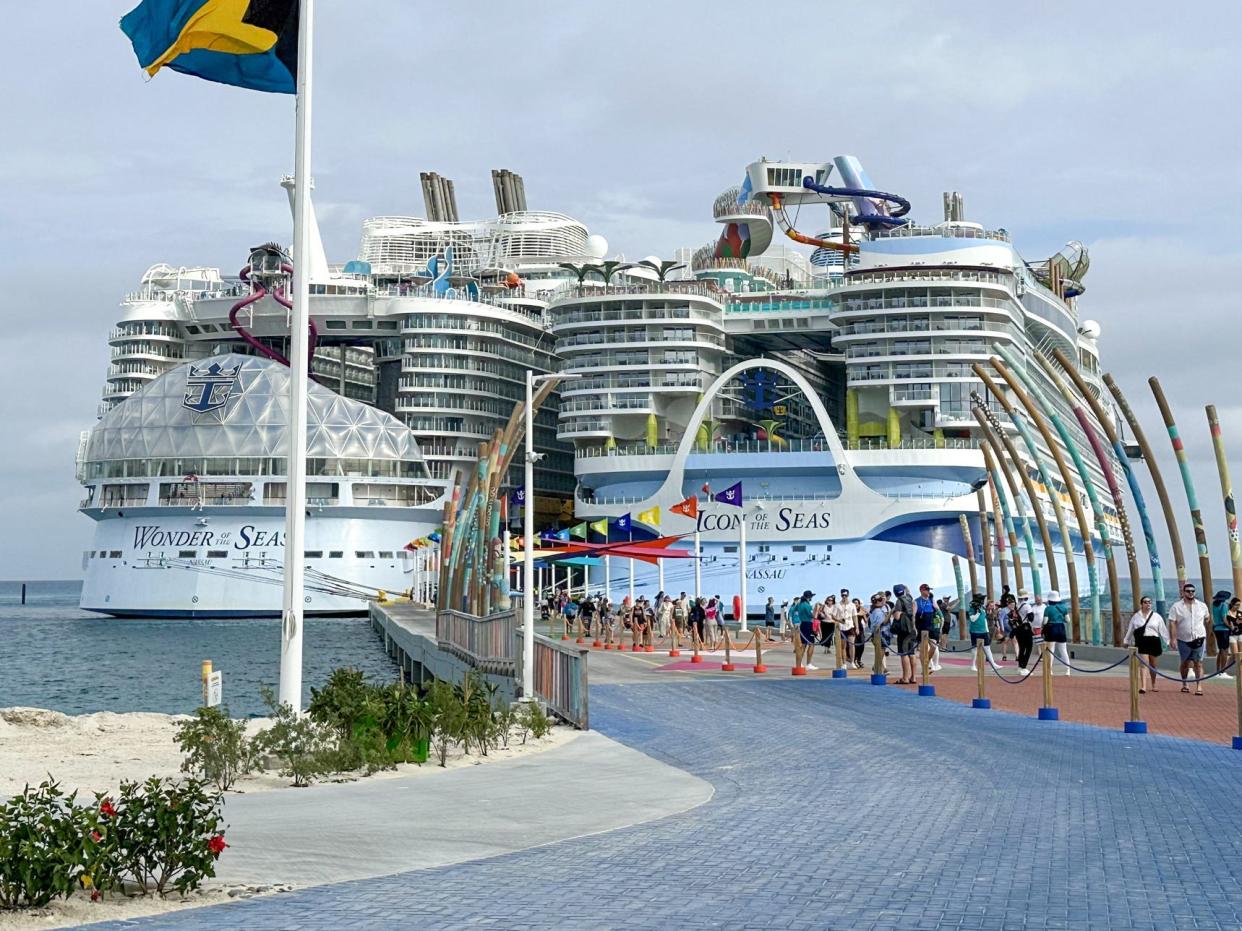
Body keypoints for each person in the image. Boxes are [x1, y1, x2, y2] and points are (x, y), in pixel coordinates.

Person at [1168, 582, 1209, 695]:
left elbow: (1207, 618)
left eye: (1192, 591)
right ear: (1183, 592)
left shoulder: (1202, 606)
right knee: (1185, 662)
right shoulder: (1176, 606)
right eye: (1188, 591)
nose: (1191, 593)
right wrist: (1173, 639)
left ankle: (1199, 686)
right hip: (1183, 639)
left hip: (1199, 637)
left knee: (1198, 663)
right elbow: (1172, 623)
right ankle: (1185, 683)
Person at [1122, 596, 1168, 694]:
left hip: (1154, 641)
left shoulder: (1156, 616)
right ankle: (1143, 686)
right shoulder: (1136, 616)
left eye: (1149, 602)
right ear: (1141, 604)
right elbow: (1131, 629)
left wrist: (1167, 641)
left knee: (1153, 665)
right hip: (1142, 641)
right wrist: (1126, 640)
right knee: (1143, 664)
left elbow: (1163, 630)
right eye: (1145, 602)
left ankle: (1154, 683)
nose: (1148, 604)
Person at [891, 584, 917, 684]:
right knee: (912, 653)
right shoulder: (910, 598)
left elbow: (897, 617)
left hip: (903, 630)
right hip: (912, 628)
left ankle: (905, 678)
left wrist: (896, 613)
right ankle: (913, 677)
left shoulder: (899, 601)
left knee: (904, 653)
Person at [1042, 590, 1071, 676]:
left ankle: (1050, 670)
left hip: (1051, 629)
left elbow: (1045, 622)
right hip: (1061, 628)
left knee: (1051, 650)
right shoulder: (1064, 608)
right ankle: (1068, 670)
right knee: (1063, 650)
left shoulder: (1047, 609)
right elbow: (1068, 620)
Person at [914, 584, 940, 671]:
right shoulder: (916, 601)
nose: (928, 591)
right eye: (926, 590)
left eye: (929, 590)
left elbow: (937, 611)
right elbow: (913, 616)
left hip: (931, 626)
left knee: (933, 646)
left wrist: (938, 625)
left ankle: (927, 661)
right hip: (921, 626)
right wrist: (914, 627)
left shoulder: (932, 600)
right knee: (923, 648)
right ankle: (924, 667)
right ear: (921, 590)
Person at [967, 594, 997, 671]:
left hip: (984, 631)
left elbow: (984, 620)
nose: (983, 601)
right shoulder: (972, 608)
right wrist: (977, 612)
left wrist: (987, 630)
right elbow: (972, 619)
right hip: (975, 631)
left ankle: (993, 664)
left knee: (987, 648)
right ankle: (973, 665)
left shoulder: (982, 608)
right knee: (975, 648)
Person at [791, 590, 818, 671]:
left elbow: (794, 611)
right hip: (808, 624)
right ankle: (808, 663)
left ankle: (800, 663)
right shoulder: (807, 606)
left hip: (802, 623)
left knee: (803, 644)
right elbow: (813, 616)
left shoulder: (799, 604)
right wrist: (816, 609)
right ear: (809, 597)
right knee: (811, 644)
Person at [1211, 590, 1234, 679]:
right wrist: (1230, 627)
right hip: (1224, 629)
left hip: (1217, 628)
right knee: (1225, 651)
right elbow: (1224, 619)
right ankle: (1223, 671)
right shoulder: (1224, 606)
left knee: (1220, 650)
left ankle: (1218, 671)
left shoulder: (1214, 605)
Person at [1013, 590, 1036, 676]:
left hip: (1018, 628)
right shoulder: (1027, 606)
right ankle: (1024, 667)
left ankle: (1020, 666)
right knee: (1029, 647)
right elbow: (1031, 618)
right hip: (1025, 628)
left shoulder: (1016, 605)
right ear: (1026, 597)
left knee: (1021, 647)